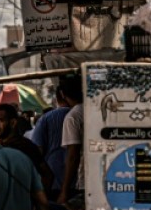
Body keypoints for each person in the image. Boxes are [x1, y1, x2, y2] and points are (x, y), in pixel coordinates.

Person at [0, 104, 53, 192]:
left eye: (0, 121)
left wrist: (36, 200)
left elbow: (48, 175)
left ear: (13, 123)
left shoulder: (25, 146)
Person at [30, 89, 70, 200]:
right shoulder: (83, 115)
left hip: (53, 181)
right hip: (80, 181)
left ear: (58, 98)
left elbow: (37, 151)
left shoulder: (45, 119)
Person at [58, 75, 84, 206]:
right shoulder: (94, 109)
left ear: (63, 94)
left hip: (85, 182)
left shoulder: (73, 117)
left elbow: (73, 156)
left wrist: (64, 191)